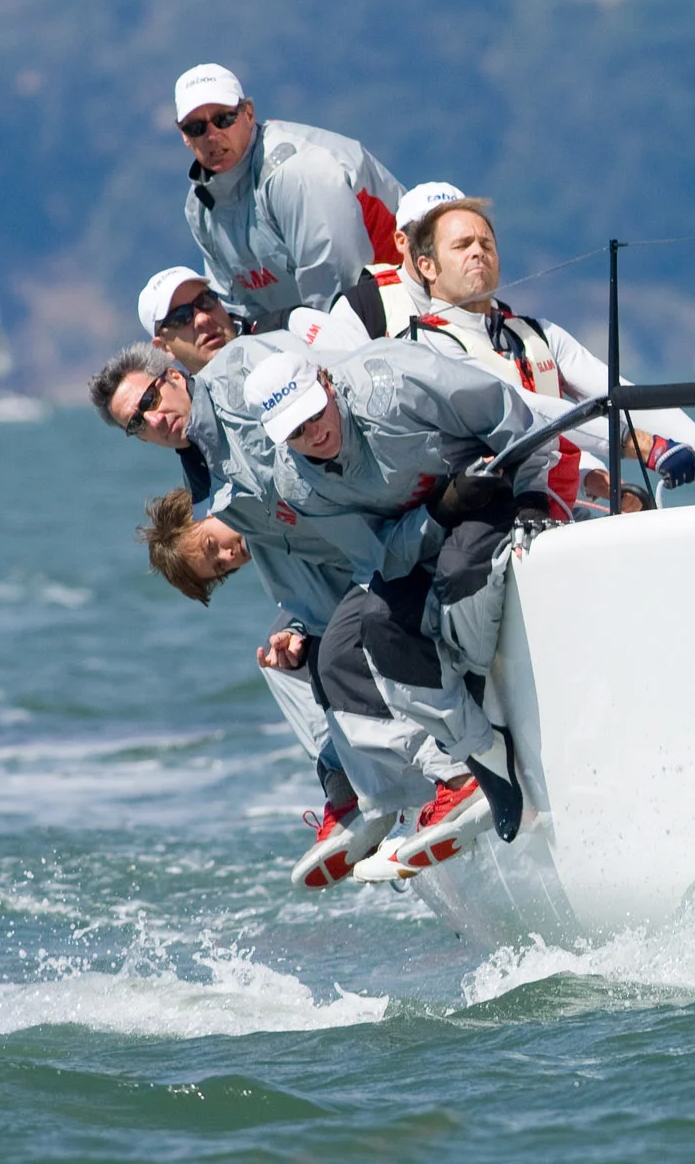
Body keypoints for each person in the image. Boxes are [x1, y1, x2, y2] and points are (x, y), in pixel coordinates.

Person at [92, 339, 456, 885]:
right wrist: (293, 631)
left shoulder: (241, 410)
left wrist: (303, 625)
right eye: (135, 423)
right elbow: (298, 594)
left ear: (172, 376)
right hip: (364, 573)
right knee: (281, 661)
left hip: (397, 545)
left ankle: (406, 787)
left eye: (211, 546)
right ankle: (350, 792)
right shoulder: (249, 520)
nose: (227, 554)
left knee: (331, 653)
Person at [246, 341, 559, 870]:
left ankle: (476, 718)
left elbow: (507, 413)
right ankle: (474, 759)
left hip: (493, 495)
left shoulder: (397, 382)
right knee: (353, 641)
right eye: (295, 432)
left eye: (315, 415)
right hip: (419, 538)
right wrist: (440, 510)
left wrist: (531, 495)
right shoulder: (297, 483)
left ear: (325, 380)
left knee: (462, 575)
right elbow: (377, 555)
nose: (315, 435)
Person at [401, 196, 695, 503]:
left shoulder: (538, 333)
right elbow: (524, 409)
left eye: (487, 245)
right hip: (479, 519)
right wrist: (647, 447)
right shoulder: (427, 346)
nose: (478, 253)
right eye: (463, 245)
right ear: (427, 267)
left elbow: (620, 393)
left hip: (552, 509)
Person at [174, 62, 404, 333]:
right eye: (196, 128)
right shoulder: (200, 206)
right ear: (184, 136)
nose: (212, 135)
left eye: (224, 119)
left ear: (248, 113)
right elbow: (239, 309)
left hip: (407, 308)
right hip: (321, 332)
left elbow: (338, 292)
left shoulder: (297, 172)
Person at [327, 179, 460, 343]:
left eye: (458, 237)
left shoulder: (494, 313)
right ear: (401, 242)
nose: (443, 243)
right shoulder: (364, 305)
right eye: (429, 234)